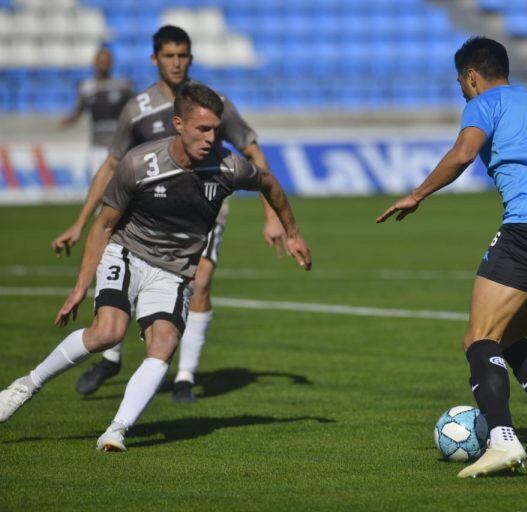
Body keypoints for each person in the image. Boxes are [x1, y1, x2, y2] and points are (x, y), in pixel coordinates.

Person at [0, 82, 312, 452]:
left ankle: (116, 430)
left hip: (175, 271)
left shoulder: (228, 167)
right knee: (107, 334)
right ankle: (25, 386)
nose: (212, 138)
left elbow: (270, 184)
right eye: (203, 129)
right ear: (178, 123)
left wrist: (291, 231)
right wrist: (81, 286)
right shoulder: (139, 164)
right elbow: (103, 225)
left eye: (216, 129)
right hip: (128, 254)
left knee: (163, 343)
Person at [377, 37, 527, 478]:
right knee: (508, 337)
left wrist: (417, 195)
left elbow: (464, 153)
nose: (462, 92)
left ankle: (503, 439)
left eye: (461, 84)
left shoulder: (485, 103)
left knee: (479, 338)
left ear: (471, 77)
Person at [51, 26, 288, 403]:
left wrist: (271, 216)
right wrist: (80, 223)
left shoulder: (215, 104)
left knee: (202, 282)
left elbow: (253, 153)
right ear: (155, 59)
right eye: (169, 55)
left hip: (205, 204)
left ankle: (184, 377)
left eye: (183, 55)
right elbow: (112, 166)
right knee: (130, 280)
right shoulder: (139, 109)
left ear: (191, 58)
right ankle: (112, 355)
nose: (177, 63)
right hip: (146, 208)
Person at [60, 46, 134, 177]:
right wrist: (68, 120)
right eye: (101, 61)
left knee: (118, 189)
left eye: (107, 61)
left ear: (111, 63)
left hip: (118, 146)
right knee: (97, 188)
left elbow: (135, 109)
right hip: (97, 147)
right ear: (95, 63)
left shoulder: (123, 86)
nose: (104, 65)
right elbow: (79, 111)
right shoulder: (87, 87)